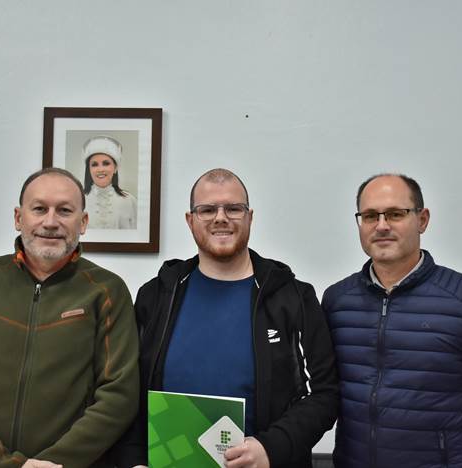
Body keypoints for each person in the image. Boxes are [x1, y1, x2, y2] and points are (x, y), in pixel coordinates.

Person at [113, 168, 339, 468]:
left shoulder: (293, 297)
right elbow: (129, 390)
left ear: (249, 217)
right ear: (190, 220)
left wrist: (271, 448)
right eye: (207, 210)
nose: (221, 218)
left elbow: (325, 393)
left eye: (233, 208)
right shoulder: (155, 296)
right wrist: (134, 460)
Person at [0, 168, 140, 468]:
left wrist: (52, 464)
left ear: (83, 222)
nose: (50, 222)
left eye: (64, 211)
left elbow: (118, 396)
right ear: (18, 218)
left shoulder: (107, 291)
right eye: (39, 209)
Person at [322, 174, 462, 468]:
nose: (381, 225)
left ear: (422, 220)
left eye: (395, 214)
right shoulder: (337, 301)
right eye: (370, 216)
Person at [82, 135, 137, 229]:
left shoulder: (130, 201)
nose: (100, 169)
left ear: (115, 168)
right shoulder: (79, 201)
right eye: (94, 165)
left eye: (106, 163)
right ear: (89, 170)